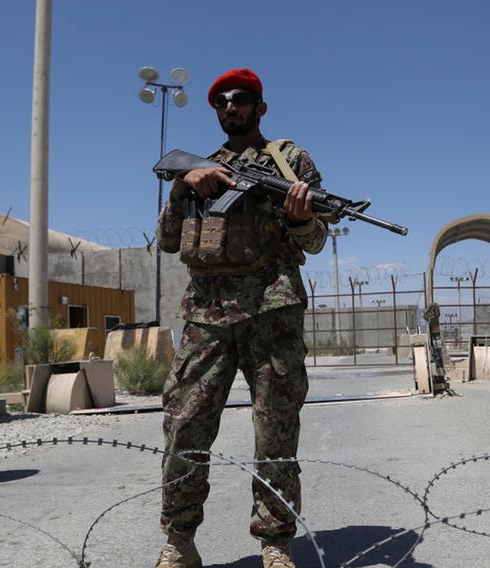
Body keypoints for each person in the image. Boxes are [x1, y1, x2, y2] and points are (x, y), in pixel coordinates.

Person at [154, 68, 328, 568]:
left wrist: (301, 218)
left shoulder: (290, 160)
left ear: (260, 108)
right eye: (222, 102)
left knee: (275, 431)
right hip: (206, 314)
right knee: (184, 427)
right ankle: (180, 540)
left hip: (271, 310)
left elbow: (315, 241)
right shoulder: (197, 169)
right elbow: (168, 240)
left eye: (242, 99)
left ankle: (274, 543)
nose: (231, 107)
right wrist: (184, 187)